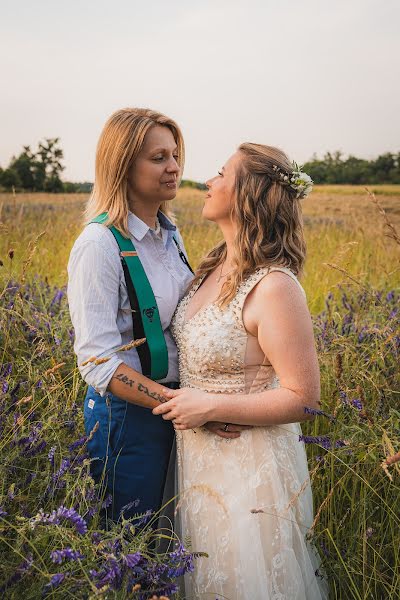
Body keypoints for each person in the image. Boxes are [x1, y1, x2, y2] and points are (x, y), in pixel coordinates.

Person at [153, 144, 329, 598]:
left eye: (220, 173)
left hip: (250, 467)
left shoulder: (274, 285)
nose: (207, 182)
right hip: (196, 461)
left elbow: (304, 397)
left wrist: (212, 405)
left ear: (248, 194)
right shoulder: (209, 267)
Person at [67, 108, 246, 526]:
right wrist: (183, 406)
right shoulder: (98, 244)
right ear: (123, 166)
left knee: (172, 538)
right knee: (131, 543)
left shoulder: (170, 235)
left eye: (175, 154)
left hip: (178, 408)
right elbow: (97, 361)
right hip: (128, 420)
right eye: (159, 157)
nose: (175, 167)